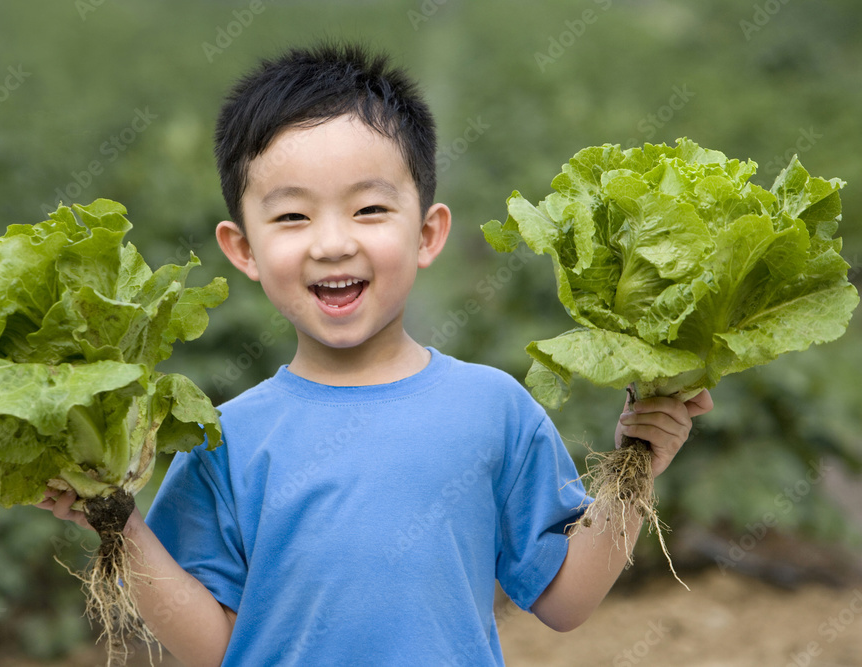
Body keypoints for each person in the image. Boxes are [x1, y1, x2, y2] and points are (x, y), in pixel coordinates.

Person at [38, 41, 713, 665]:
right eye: (293, 216)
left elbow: (566, 600)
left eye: (368, 209)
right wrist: (117, 519)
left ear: (427, 232)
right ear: (242, 248)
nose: (333, 243)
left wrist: (639, 458)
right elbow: (216, 645)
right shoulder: (223, 436)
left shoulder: (493, 407)